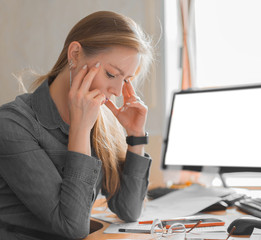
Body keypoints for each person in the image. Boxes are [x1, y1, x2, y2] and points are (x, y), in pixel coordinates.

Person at [0, 11, 154, 240]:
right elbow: (71, 228)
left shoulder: (101, 121)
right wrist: (80, 131)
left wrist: (135, 136)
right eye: (111, 74)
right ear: (75, 54)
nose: (118, 92)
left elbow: (128, 209)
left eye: (126, 80)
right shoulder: (12, 125)